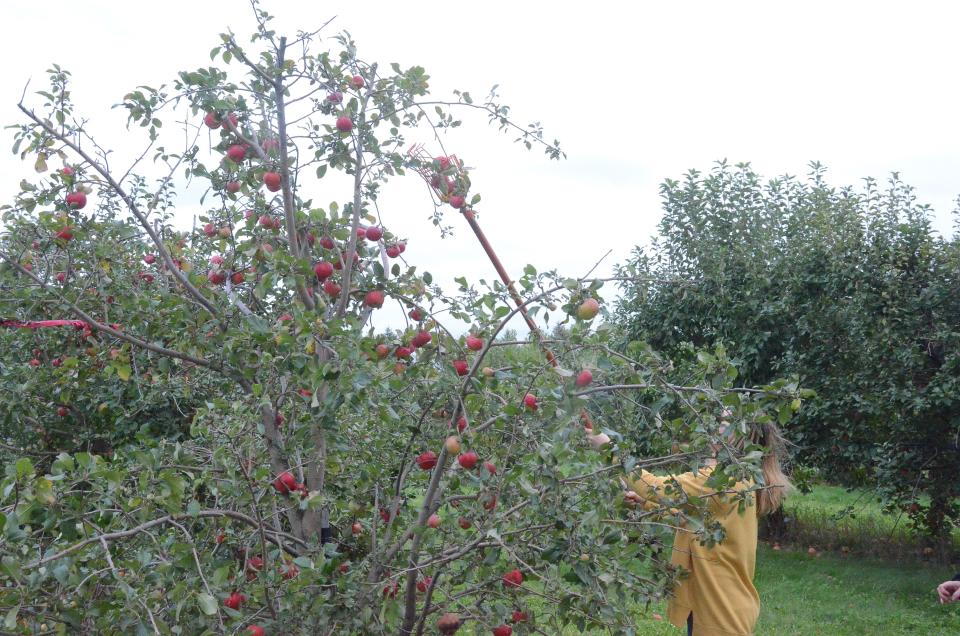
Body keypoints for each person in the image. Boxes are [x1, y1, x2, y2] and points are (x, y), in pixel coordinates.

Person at [622, 420, 792, 636]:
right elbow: (692, 519)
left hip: (720, 609)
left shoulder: (722, 480)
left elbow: (654, 486)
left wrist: (612, 453)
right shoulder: (738, 478)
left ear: (736, 438)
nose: (715, 425)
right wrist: (645, 504)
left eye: (724, 423)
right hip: (720, 602)